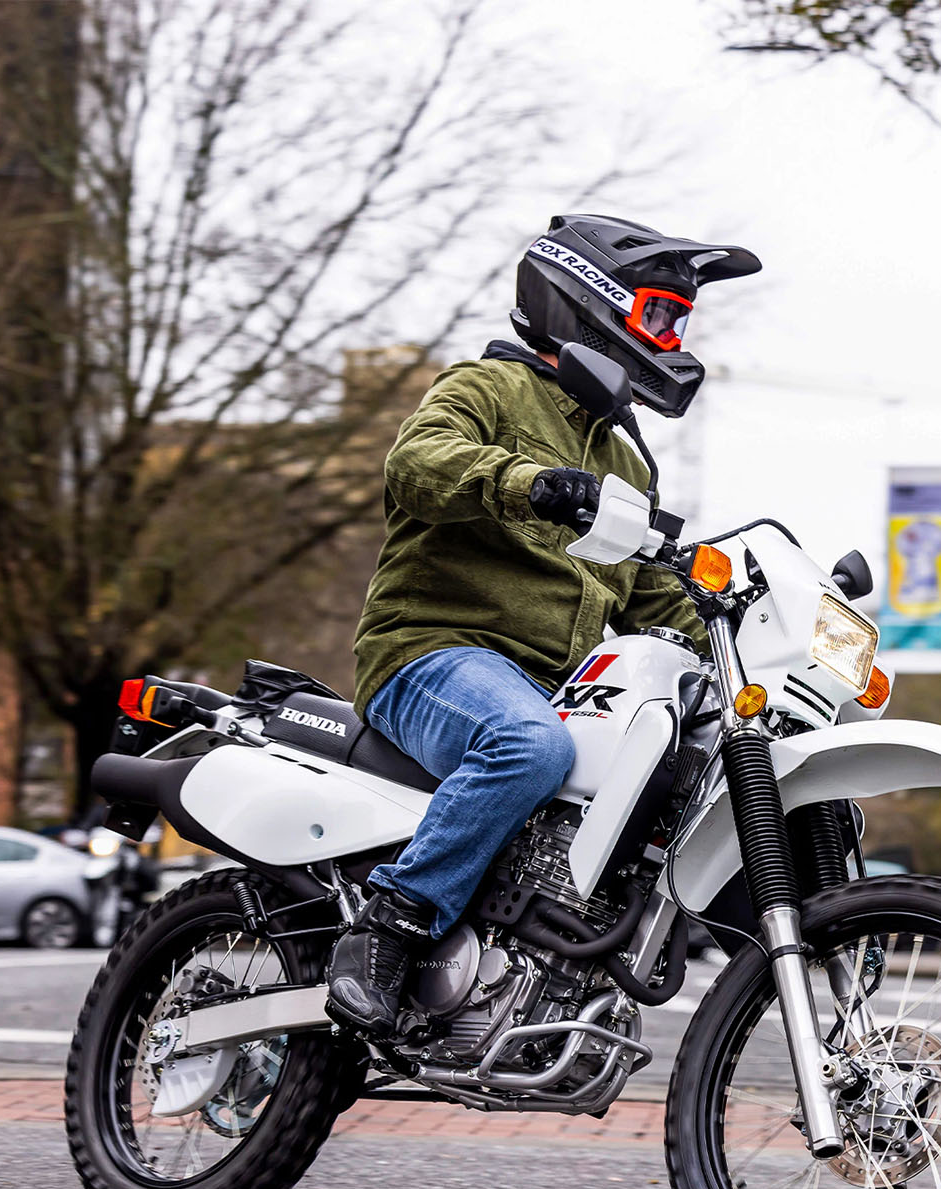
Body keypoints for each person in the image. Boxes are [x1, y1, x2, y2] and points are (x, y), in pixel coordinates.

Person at [325, 214, 762, 1039]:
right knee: (530, 748)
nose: (671, 338)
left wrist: (740, 645)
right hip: (433, 653)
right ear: (585, 302)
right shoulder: (486, 390)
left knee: (685, 753)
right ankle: (388, 928)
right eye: (660, 314)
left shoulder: (629, 462)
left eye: (678, 322)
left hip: (556, 685)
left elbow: (648, 600)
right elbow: (416, 466)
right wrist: (531, 483)